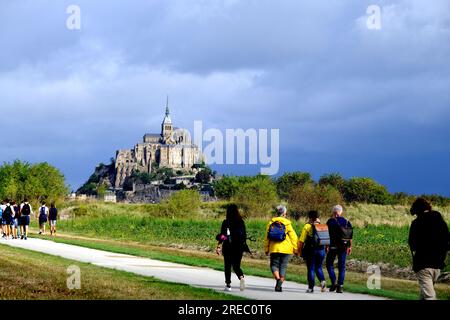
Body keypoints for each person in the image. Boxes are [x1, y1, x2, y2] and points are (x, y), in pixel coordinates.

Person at [408, 198, 450, 300]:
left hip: (423, 265)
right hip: (438, 264)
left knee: (429, 296)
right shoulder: (439, 220)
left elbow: (412, 244)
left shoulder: (416, 223)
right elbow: (447, 240)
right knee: (427, 294)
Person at [264, 205, 298, 292]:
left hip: (274, 248)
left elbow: (267, 237)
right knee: (283, 266)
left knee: (273, 265)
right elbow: (293, 237)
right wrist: (296, 249)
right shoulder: (287, 223)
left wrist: (266, 249)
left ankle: (278, 280)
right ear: (284, 214)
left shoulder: (271, 222)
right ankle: (280, 283)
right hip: (287, 249)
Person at [216, 204, 250, 292]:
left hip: (228, 247)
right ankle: (241, 277)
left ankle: (228, 285)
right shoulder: (241, 222)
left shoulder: (226, 222)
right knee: (236, 266)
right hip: (239, 247)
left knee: (227, 265)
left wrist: (219, 245)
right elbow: (244, 235)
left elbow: (223, 236)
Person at [297, 210, 327, 293]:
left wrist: (299, 251)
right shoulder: (322, 226)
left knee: (311, 268)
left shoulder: (307, 226)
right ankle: (322, 281)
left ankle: (311, 288)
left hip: (311, 250)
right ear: (317, 217)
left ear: (309, 217)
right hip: (321, 250)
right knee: (319, 267)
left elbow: (301, 241)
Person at [326, 204, 353, 293]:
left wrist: (326, 246)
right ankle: (340, 286)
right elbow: (350, 236)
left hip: (333, 246)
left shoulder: (330, 221)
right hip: (344, 246)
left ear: (334, 212)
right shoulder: (347, 222)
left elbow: (326, 235)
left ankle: (333, 283)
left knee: (329, 263)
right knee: (342, 266)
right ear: (340, 212)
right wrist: (349, 246)